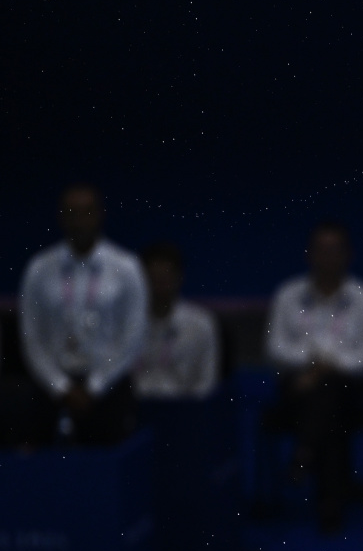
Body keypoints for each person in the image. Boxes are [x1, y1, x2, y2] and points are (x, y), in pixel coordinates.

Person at [264, 221, 363, 531]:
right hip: (296, 389)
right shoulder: (288, 294)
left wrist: (326, 366)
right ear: (310, 254)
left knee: (329, 396)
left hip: (350, 392)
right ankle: (331, 503)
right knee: (325, 404)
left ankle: (304, 453)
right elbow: (275, 347)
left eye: (335, 249)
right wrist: (314, 363)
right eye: (322, 249)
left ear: (348, 254)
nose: (328, 256)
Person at [17, 183, 148, 446]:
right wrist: (60, 386)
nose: (79, 221)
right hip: (51, 388)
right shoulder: (39, 269)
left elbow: (132, 336)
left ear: (100, 214)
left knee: (108, 472)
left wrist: (96, 386)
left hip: (109, 388)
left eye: (86, 212)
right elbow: (31, 337)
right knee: (45, 471)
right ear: (61, 217)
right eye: (72, 213)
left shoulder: (127, 267)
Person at [133, 241, 221, 400]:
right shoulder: (127, 323)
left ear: (179, 278)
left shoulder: (201, 323)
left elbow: (207, 381)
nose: (159, 286)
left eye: (165, 279)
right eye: (154, 279)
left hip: (185, 408)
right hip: (134, 405)